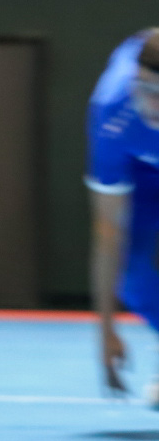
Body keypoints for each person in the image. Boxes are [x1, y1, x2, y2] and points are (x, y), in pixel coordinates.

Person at [87, 31, 159, 408]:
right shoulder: (112, 111)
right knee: (130, 270)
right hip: (141, 170)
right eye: (144, 88)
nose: (150, 104)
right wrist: (105, 332)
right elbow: (107, 232)